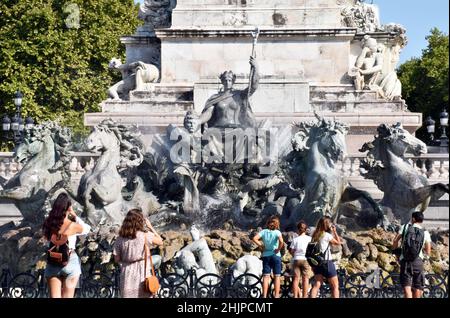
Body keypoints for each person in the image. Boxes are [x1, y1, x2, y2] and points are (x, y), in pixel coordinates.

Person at [42, 193, 91, 298]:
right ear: (68, 207)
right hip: (70, 261)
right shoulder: (72, 225)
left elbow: (46, 239)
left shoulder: (48, 223)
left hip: (53, 260)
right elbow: (87, 229)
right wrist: (74, 215)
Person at [113, 209, 163, 298]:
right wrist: (151, 227)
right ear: (139, 221)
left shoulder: (120, 239)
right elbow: (160, 242)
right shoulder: (144, 235)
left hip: (126, 272)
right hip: (142, 271)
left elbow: (116, 259)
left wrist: (126, 262)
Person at [392, 211, 432, 298]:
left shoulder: (405, 227)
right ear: (422, 220)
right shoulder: (425, 232)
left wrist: (394, 251)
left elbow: (395, 240)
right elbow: (428, 250)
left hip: (405, 261)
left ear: (413, 219)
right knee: (418, 287)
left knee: (407, 287)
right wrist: (425, 258)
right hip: (418, 261)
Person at [309, 216, 342, 298]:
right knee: (335, 286)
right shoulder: (326, 235)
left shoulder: (314, 234)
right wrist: (334, 231)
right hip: (327, 263)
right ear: (327, 225)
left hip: (316, 263)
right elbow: (338, 243)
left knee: (317, 284)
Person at [252, 216, 285, 298]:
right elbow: (281, 241)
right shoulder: (277, 232)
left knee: (266, 277)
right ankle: (276, 296)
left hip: (266, 256)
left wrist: (261, 246)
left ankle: (264, 295)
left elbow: (254, 238)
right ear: (277, 225)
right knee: (277, 276)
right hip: (275, 255)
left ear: (268, 223)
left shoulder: (263, 231)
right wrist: (278, 249)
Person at [289, 220, 313, 298]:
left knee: (296, 279)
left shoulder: (295, 239)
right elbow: (313, 250)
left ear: (298, 230)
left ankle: (295, 296)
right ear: (306, 230)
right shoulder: (310, 239)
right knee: (305, 279)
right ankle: (304, 296)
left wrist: (294, 254)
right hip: (306, 259)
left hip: (296, 259)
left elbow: (291, 251)